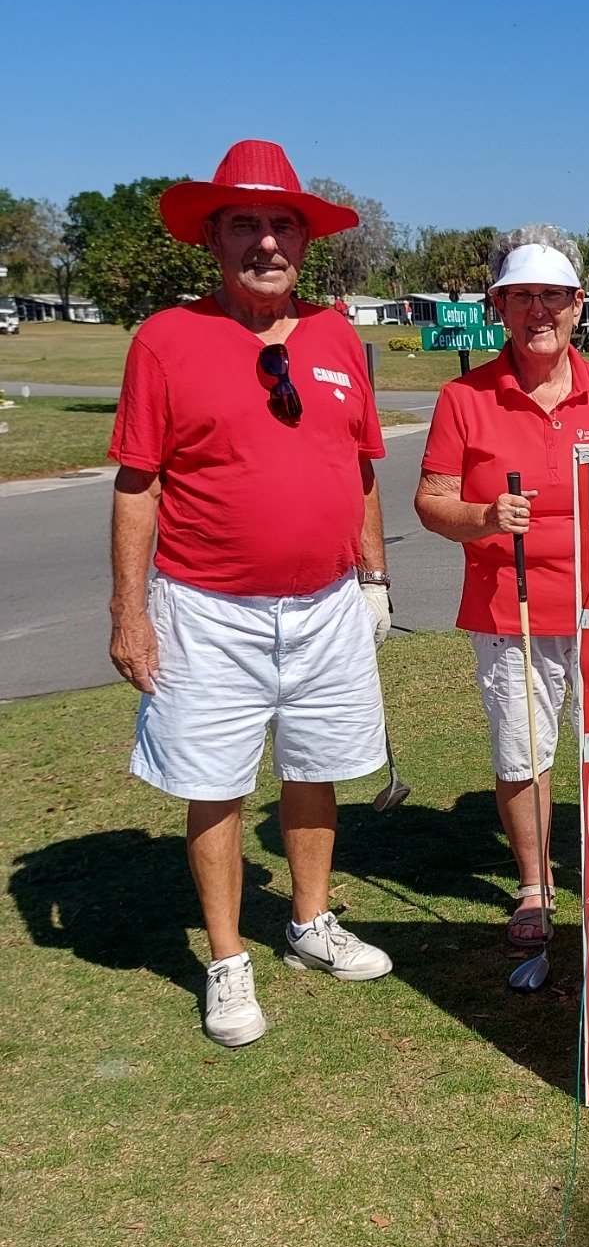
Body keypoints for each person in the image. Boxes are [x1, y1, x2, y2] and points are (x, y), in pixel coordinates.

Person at [109, 140, 396, 1051]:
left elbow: (358, 466)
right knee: (215, 783)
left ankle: (309, 924)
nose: (267, 242)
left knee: (316, 767)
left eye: (283, 225)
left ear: (306, 241)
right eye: (246, 225)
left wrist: (374, 576)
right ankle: (227, 959)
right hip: (207, 609)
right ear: (214, 239)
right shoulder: (166, 338)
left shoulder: (338, 335)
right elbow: (137, 482)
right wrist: (129, 611)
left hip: (325, 605)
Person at [414, 226, 589, 950]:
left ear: (580, 306)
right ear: (500, 307)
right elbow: (432, 502)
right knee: (523, 751)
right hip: (509, 605)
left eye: (552, 296)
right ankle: (534, 883)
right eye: (522, 297)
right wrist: (484, 517)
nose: (538, 311)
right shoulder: (465, 397)